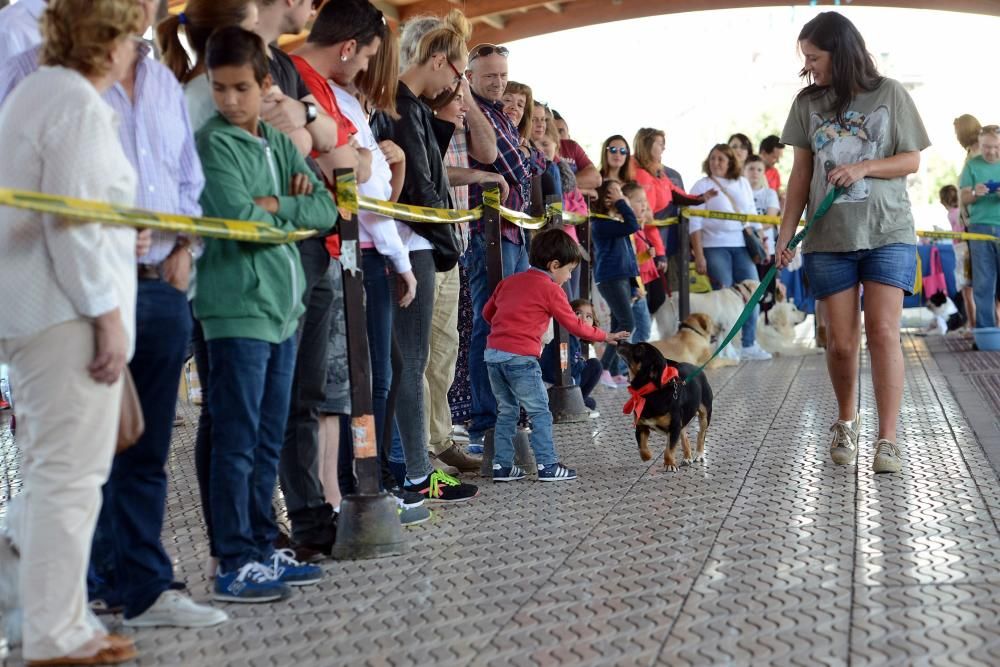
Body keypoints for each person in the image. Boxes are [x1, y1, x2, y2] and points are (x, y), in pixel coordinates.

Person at [3, 0, 226, 629]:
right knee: (70, 464)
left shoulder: (157, 78)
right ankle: (61, 609)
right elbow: (54, 201)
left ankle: (138, 589)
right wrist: (105, 271)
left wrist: (184, 245)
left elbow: (184, 175)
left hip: (154, 283)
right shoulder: (42, 74)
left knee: (139, 447)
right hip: (70, 295)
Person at [0, 0, 145, 662]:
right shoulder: (77, 105)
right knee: (69, 477)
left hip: (35, 311)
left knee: (46, 473)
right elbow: (75, 226)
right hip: (66, 314)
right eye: (133, 40)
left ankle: (39, 616)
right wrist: (108, 318)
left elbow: (79, 209)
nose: (136, 53)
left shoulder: (40, 91)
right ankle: (58, 633)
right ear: (110, 41)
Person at [195, 26, 338, 601]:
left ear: (265, 87)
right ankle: (233, 560)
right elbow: (236, 215)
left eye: (240, 89)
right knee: (236, 436)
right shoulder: (213, 144)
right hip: (234, 309)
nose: (229, 101)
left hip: (282, 308)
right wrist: (283, 209)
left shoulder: (277, 144)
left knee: (264, 436)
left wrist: (278, 203)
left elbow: (326, 208)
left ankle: (259, 548)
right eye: (219, 88)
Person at [776, 11, 929, 474]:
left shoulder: (891, 93)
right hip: (829, 239)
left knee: (883, 333)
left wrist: (863, 167)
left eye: (814, 56)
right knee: (840, 343)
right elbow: (800, 175)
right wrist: (785, 236)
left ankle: (888, 439)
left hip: (887, 232)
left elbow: (911, 160)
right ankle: (846, 420)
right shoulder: (807, 103)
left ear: (839, 52)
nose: (809, 66)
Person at [156, 0, 262, 568]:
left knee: (234, 418)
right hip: (221, 281)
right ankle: (234, 547)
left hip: (230, 277)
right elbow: (234, 199)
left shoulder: (206, 93)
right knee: (231, 421)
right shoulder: (207, 101)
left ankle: (243, 537)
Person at [254, 0, 352, 562]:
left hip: (314, 245)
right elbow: (306, 150)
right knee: (262, 397)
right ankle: (253, 529)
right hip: (277, 248)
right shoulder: (239, 61)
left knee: (306, 394)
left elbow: (338, 157)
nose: (314, 7)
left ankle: (311, 515)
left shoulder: (284, 66)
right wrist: (311, 133)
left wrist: (309, 126)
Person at [373, 10, 480, 502]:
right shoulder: (399, 103)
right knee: (408, 364)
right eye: (457, 75)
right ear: (438, 61)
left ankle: (410, 467)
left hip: (415, 244)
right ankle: (414, 471)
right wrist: (448, 244)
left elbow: (427, 170)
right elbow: (420, 188)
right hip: (411, 244)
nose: (458, 88)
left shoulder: (412, 105)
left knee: (407, 365)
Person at [483, 229, 629, 482]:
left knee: (507, 411)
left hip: (494, 356)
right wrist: (605, 336)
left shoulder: (509, 282)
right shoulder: (551, 290)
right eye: (569, 270)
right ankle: (548, 466)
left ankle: (502, 466)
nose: (569, 276)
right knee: (540, 412)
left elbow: (488, 314)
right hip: (521, 359)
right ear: (554, 265)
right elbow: (573, 325)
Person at [464, 42, 537, 452]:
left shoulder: (500, 114)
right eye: (490, 75)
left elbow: (526, 170)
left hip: (513, 232)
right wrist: (467, 97)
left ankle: (509, 414)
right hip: (487, 234)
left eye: (503, 75)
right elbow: (494, 157)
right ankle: (485, 424)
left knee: (514, 326)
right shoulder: (472, 111)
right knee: (489, 326)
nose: (498, 82)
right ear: (469, 75)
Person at [689, 144, 772, 361]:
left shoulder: (742, 182)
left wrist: (761, 239)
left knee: (752, 293)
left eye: (721, 159)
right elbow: (694, 224)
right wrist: (699, 255)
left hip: (742, 245)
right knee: (722, 297)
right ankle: (722, 346)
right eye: (713, 158)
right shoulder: (701, 185)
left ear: (731, 162)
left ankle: (748, 344)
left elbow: (751, 214)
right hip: (713, 247)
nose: (716, 163)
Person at [157, 0, 261, 131]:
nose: (258, 40)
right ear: (226, 37)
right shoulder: (221, 100)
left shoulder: (189, 89)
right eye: (250, 32)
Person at [591, 180, 641, 385]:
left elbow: (628, 255)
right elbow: (633, 224)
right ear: (606, 199)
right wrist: (623, 203)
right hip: (610, 278)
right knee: (628, 322)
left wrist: (633, 284)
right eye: (616, 192)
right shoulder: (601, 223)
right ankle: (603, 368)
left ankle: (612, 372)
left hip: (621, 277)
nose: (621, 195)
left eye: (621, 192)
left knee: (616, 323)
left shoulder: (614, 223)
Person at [960, 125, 1000, 330]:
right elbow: (963, 197)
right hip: (979, 229)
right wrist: (975, 193)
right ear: (979, 144)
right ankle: (987, 331)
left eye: (996, 147)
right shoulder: (971, 166)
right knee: (983, 283)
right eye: (986, 147)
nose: (991, 152)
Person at [540, 299, 604, 414]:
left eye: (589, 316)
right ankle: (576, 406)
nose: (583, 319)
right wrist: (581, 363)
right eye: (578, 313)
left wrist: (580, 363)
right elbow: (568, 370)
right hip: (552, 390)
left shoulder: (573, 339)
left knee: (591, 403)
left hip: (556, 387)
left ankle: (580, 402)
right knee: (595, 366)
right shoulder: (567, 339)